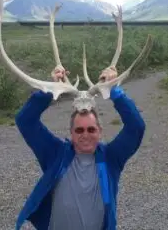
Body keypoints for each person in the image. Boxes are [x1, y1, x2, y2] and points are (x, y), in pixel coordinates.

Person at [15, 66, 145, 230]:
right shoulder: (56, 154)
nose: (85, 135)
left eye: (91, 129)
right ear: (71, 132)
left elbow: (136, 127)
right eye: (79, 130)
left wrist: (115, 92)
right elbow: (25, 121)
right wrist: (48, 92)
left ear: (99, 131)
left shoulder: (111, 158)